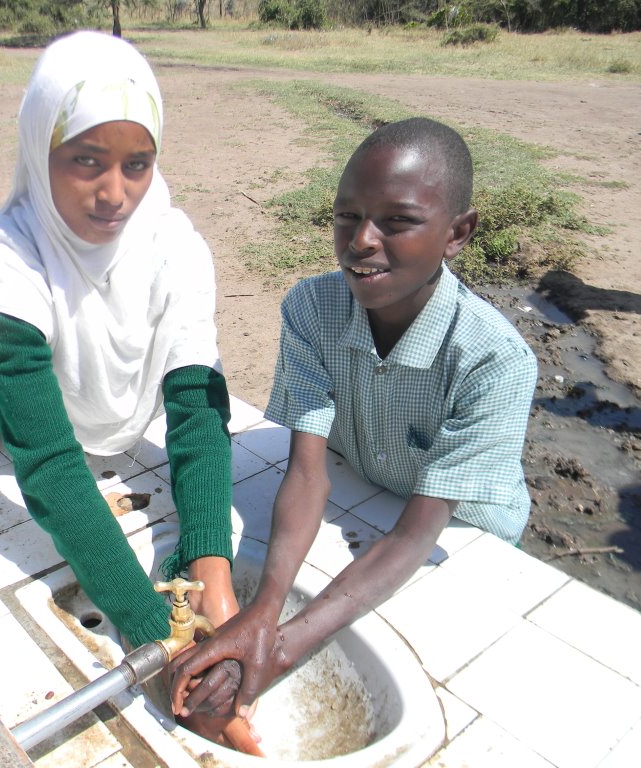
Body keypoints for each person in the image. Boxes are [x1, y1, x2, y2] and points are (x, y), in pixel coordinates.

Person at [169, 117, 538, 722]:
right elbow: (309, 474)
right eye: (346, 216)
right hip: (370, 492)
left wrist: (280, 648)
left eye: (397, 221)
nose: (361, 240)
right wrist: (262, 612)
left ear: (457, 233)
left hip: (462, 534)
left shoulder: (493, 361)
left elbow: (418, 534)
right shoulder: (314, 307)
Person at [0, 31, 240, 677]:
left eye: (137, 164)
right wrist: (155, 634)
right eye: (87, 160)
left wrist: (213, 577)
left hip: (68, 435)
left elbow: (197, 410)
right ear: (41, 150)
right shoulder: (5, 265)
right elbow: (49, 464)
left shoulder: (174, 246)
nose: (115, 193)